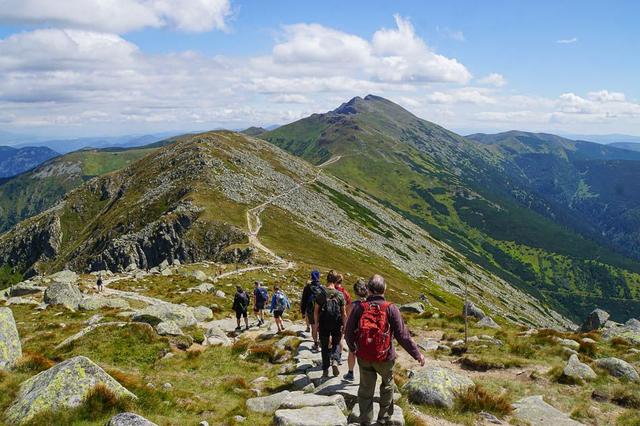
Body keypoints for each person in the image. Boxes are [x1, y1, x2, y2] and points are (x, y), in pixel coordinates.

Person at [345, 274, 425, 425]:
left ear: (368, 290)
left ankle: (365, 420)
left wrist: (354, 349)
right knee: (387, 385)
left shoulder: (360, 307)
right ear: (385, 289)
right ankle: (383, 418)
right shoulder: (391, 308)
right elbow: (403, 336)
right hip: (385, 357)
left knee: (365, 389)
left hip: (364, 356)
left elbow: (348, 332)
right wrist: (417, 355)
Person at [314, 270, 347, 378]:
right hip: (336, 322)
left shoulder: (321, 293)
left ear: (327, 279)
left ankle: (325, 369)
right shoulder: (340, 295)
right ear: (336, 280)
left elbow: (316, 310)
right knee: (336, 342)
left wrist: (316, 323)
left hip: (324, 322)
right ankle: (335, 361)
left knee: (324, 345)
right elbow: (344, 313)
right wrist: (345, 325)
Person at [343, 278, 368, 381]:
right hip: (366, 333)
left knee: (352, 352)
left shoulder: (352, 305)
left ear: (355, 292)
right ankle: (365, 377)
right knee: (365, 354)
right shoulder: (370, 305)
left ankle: (350, 373)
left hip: (354, 333)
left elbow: (347, 320)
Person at [302, 270, 323, 351]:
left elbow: (304, 300)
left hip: (311, 310)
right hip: (321, 311)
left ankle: (316, 344)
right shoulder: (321, 287)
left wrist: (303, 312)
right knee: (320, 327)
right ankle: (321, 342)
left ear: (311, 277)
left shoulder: (307, 287)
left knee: (313, 327)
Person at [334, 273, 352, 365]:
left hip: (329, 318)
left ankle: (332, 356)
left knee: (330, 337)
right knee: (340, 338)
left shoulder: (330, 290)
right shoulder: (345, 293)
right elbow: (349, 307)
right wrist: (347, 320)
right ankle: (339, 357)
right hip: (341, 318)